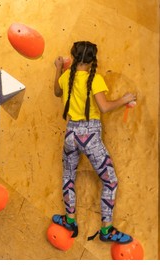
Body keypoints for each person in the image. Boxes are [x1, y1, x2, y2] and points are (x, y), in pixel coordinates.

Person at [53, 41, 136, 243]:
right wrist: (124, 99)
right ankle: (106, 230)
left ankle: (70, 220)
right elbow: (105, 107)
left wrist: (57, 69)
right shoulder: (95, 79)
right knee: (111, 181)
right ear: (92, 61)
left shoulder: (66, 77)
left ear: (72, 58)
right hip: (89, 137)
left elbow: (56, 91)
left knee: (68, 176)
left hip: (71, 135)